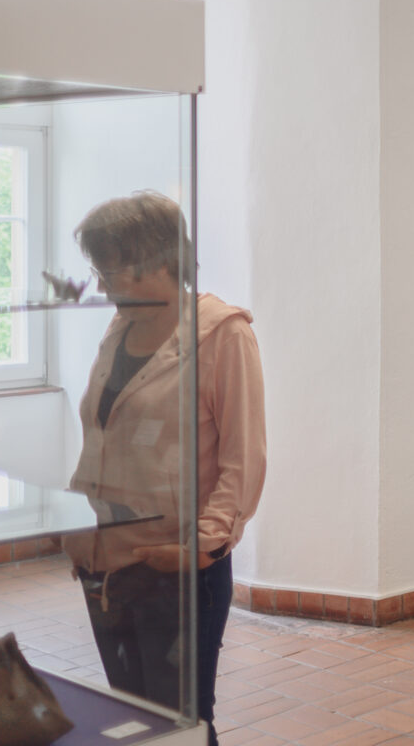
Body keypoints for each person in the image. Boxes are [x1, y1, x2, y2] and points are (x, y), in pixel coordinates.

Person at [63, 192, 266, 745]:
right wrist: (77, 522)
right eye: (97, 270)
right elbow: (103, 433)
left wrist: (201, 547)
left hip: (176, 569)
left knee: (180, 727)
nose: (100, 286)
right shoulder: (120, 329)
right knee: (129, 723)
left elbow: (242, 460)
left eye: (109, 270)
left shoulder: (222, 333)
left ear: (157, 260)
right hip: (107, 565)